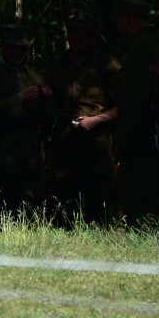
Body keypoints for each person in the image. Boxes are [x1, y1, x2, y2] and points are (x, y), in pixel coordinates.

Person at [0, 25, 52, 218]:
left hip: (29, 157)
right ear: (3, 46)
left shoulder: (37, 74)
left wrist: (48, 100)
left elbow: (48, 117)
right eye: (13, 47)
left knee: (31, 214)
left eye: (22, 49)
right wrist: (19, 98)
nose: (18, 53)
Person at [46, 14, 120, 224]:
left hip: (98, 142)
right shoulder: (57, 66)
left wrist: (95, 120)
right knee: (65, 204)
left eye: (83, 34)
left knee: (99, 204)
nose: (77, 38)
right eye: (73, 33)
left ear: (93, 37)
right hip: (65, 141)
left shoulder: (107, 65)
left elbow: (122, 107)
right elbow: (49, 108)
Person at [113, 0, 159, 222]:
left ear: (128, 20)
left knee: (139, 195)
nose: (118, 28)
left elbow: (134, 98)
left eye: (120, 22)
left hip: (143, 133)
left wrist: (121, 138)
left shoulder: (139, 47)